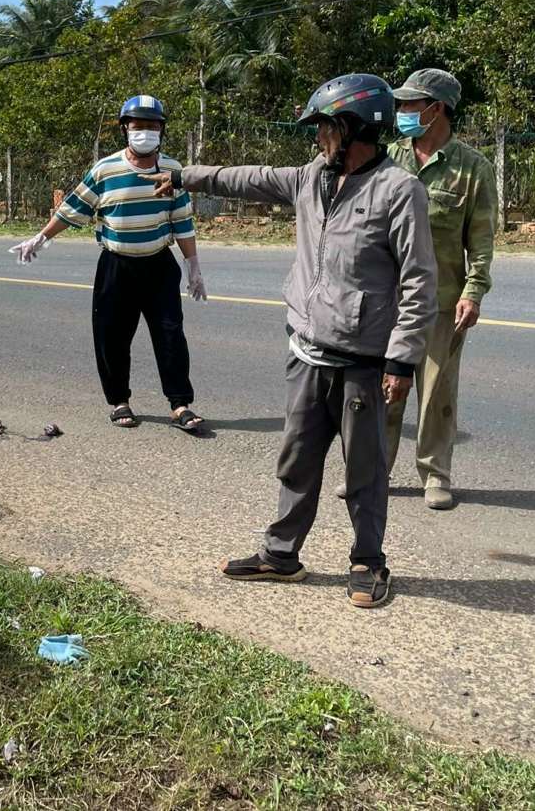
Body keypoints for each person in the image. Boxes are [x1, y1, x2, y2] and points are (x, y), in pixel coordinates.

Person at [157, 73, 436, 608]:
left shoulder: (399, 190)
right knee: (297, 460)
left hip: (364, 360)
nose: (317, 139)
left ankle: (368, 561)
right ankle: (280, 556)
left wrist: (402, 360)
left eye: (324, 128)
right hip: (308, 352)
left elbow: (420, 280)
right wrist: (187, 175)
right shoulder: (312, 178)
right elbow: (251, 178)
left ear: (352, 128)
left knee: (365, 471)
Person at [10, 95, 208, 433]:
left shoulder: (172, 171)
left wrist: (193, 266)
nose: (145, 131)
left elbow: (183, 221)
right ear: (125, 129)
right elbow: (73, 209)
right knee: (112, 336)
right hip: (117, 266)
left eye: (153, 126)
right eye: (138, 125)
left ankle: (180, 405)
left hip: (159, 265)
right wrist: (41, 238)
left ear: (162, 131)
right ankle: (119, 401)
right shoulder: (106, 169)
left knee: (170, 335)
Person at [383, 67, 496, 510]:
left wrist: (474, 291)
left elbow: (482, 240)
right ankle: (375, 470)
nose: (403, 111)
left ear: (438, 109)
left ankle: (434, 474)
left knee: (435, 394)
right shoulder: (388, 157)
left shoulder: (473, 168)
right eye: (403, 104)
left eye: (412, 104)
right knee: (384, 389)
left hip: (442, 302)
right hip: (387, 300)